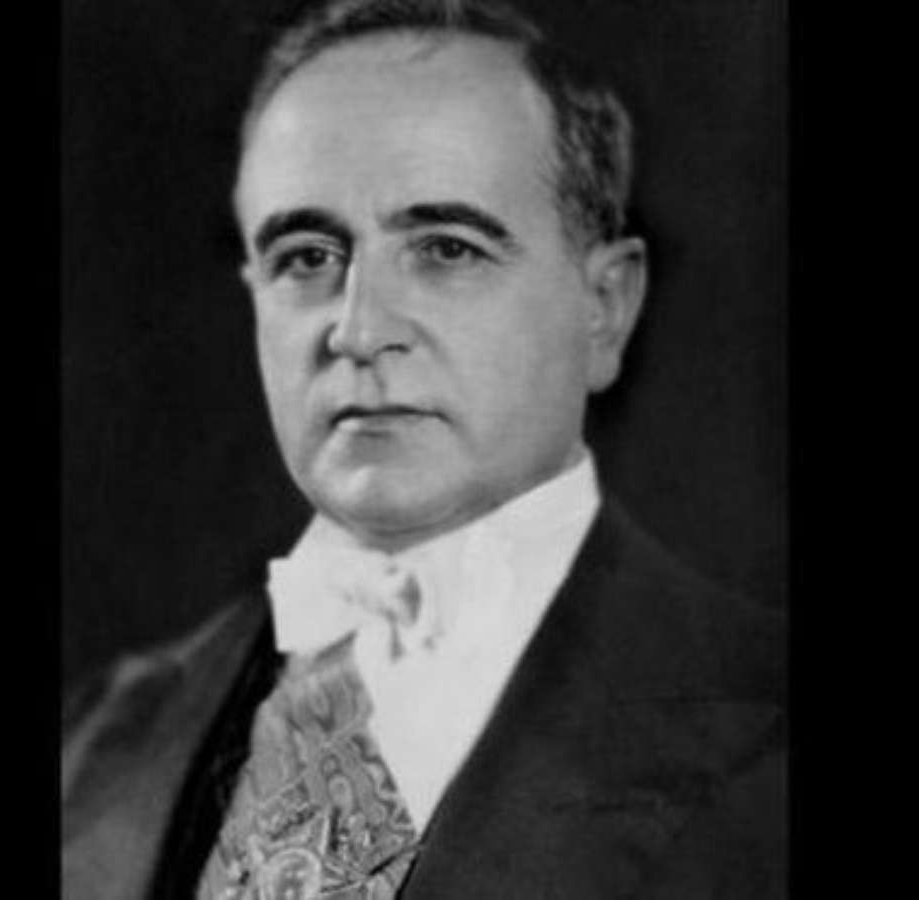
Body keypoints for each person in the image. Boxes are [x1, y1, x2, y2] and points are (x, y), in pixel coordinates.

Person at [61, 0, 787, 897]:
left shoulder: (762, 728)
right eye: (306, 257)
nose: (359, 329)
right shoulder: (102, 737)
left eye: (446, 249)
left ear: (605, 307)